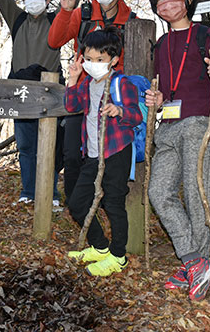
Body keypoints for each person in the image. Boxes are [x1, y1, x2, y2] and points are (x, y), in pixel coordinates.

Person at [0, 0, 91, 206]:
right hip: (19, 89)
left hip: (50, 89)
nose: (33, 1)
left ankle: (50, 194)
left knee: (49, 145)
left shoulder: (56, 20)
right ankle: (28, 191)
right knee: (26, 146)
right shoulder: (17, 19)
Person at [145, 0, 210, 301]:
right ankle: (194, 260)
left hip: (200, 122)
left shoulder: (206, 35)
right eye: (160, 1)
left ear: (188, 0)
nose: (166, 4)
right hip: (168, 126)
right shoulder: (162, 44)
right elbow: (165, 88)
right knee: (159, 191)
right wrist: (158, 99)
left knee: (197, 194)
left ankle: (198, 262)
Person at [48, 0, 135, 208]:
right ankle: (78, 205)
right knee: (73, 153)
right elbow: (54, 41)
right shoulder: (82, 14)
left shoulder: (131, 21)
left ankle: (110, 208)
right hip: (83, 94)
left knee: (114, 155)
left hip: (115, 98)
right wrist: (65, 10)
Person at [64, 26, 142, 277]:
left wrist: (119, 111)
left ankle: (118, 257)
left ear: (114, 60)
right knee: (76, 202)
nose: (93, 63)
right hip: (93, 155)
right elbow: (71, 105)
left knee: (113, 202)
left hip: (117, 151)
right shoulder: (87, 83)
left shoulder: (122, 83)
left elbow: (136, 115)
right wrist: (73, 79)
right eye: (89, 59)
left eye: (100, 59)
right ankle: (100, 247)